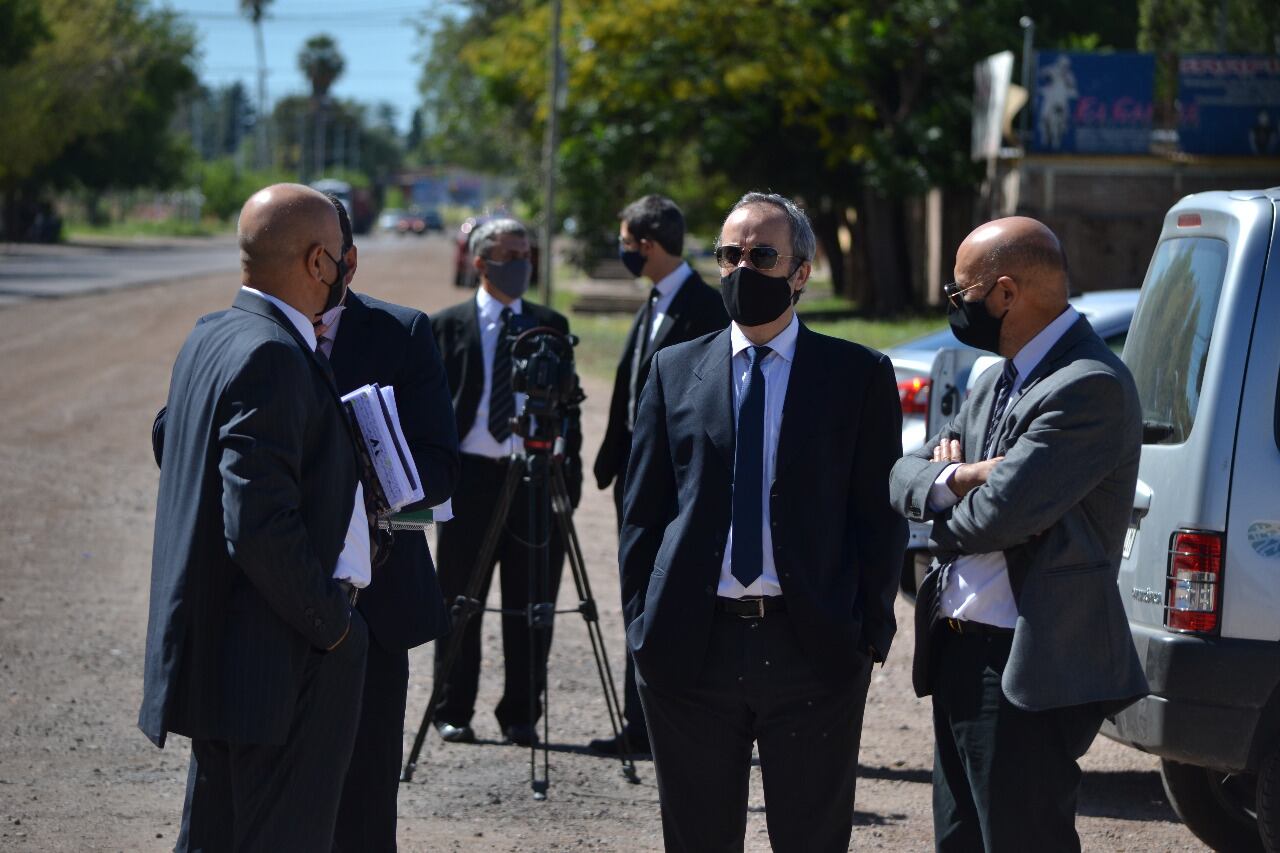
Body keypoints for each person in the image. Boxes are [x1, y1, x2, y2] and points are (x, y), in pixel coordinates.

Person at [620, 192, 907, 852]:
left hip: (811, 651)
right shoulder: (674, 370)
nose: (741, 268)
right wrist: (644, 623)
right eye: (729, 254)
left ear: (800, 272)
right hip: (694, 650)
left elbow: (877, 517)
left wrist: (866, 635)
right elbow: (643, 512)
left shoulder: (857, 375)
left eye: (762, 255)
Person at [889, 216, 1149, 851]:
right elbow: (899, 473)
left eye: (960, 293)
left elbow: (993, 520)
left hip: (1021, 665)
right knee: (960, 839)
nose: (953, 307)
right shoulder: (997, 376)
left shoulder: (1088, 386)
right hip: (958, 650)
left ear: (1004, 293)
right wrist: (959, 474)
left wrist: (943, 483)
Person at [139, 183, 370, 851]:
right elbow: (257, 522)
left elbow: (172, 441)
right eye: (340, 259)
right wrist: (331, 625)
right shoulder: (272, 352)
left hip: (230, 653)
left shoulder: (213, 333)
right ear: (318, 262)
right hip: (281, 658)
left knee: (215, 835)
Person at [318, 198, 460, 852]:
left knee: (364, 793)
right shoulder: (243, 330)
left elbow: (439, 468)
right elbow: (171, 433)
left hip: (371, 611)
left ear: (348, 258)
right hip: (265, 605)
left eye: (324, 256)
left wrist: (357, 462)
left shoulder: (401, 332)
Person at [429, 217, 582, 747]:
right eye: (508, 254)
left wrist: (570, 481)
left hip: (535, 481)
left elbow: (571, 409)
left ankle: (521, 713)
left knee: (532, 603)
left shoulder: (550, 325)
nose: (520, 264)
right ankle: (452, 707)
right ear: (480, 262)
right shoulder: (445, 327)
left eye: (526, 254)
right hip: (469, 481)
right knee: (457, 601)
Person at [588, 194, 728, 757]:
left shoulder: (707, 307)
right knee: (635, 590)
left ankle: (671, 720)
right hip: (638, 477)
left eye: (625, 243)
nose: (623, 252)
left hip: (680, 483)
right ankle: (639, 722)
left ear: (646, 245)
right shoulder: (653, 302)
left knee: (671, 595)